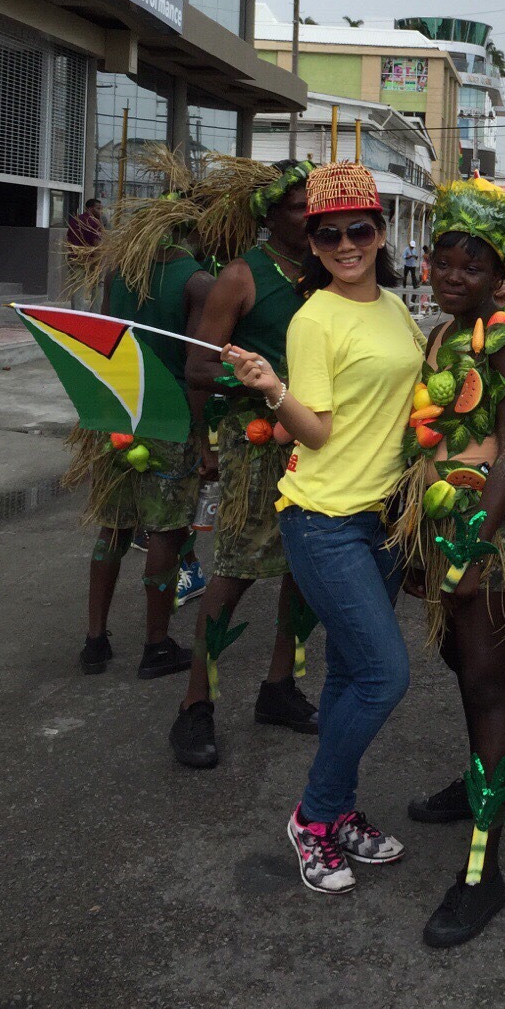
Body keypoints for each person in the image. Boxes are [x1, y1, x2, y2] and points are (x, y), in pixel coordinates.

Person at [224, 163, 423, 895]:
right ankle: (313, 818)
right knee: (385, 676)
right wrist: (273, 390)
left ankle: (335, 812)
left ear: (380, 232)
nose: (346, 244)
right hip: (326, 520)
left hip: (386, 518)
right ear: (312, 241)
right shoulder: (315, 319)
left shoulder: (397, 310)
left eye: (359, 230)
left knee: (348, 674)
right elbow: (315, 431)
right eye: (329, 233)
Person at [393, 178, 505, 948]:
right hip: (444, 519)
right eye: (442, 263)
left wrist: (471, 544)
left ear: (496, 277)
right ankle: (490, 785)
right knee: (462, 661)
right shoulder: (440, 335)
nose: (452, 277)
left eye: (470, 267)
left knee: (487, 677)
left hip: (489, 530)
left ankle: (483, 872)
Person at [170, 160, 318, 769]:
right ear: (270, 214)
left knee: (302, 572)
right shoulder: (240, 276)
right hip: (255, 446)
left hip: (312, 441)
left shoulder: (326, 272)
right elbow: (198, 366)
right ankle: (194, 706)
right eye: (298, 207)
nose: (311, 217)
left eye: (317, 206)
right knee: (233, 569)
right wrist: (256, 385)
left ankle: (279, 688)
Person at [74, 190, 211, 679]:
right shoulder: (197, 281)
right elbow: (197, 368)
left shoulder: (120, 274)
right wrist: (202, 436)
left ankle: (95, 641)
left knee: (111, 526)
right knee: (166, 533)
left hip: (118, 414)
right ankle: (155, 645)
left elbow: (105, 341)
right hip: (170, 418)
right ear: (188, 229)